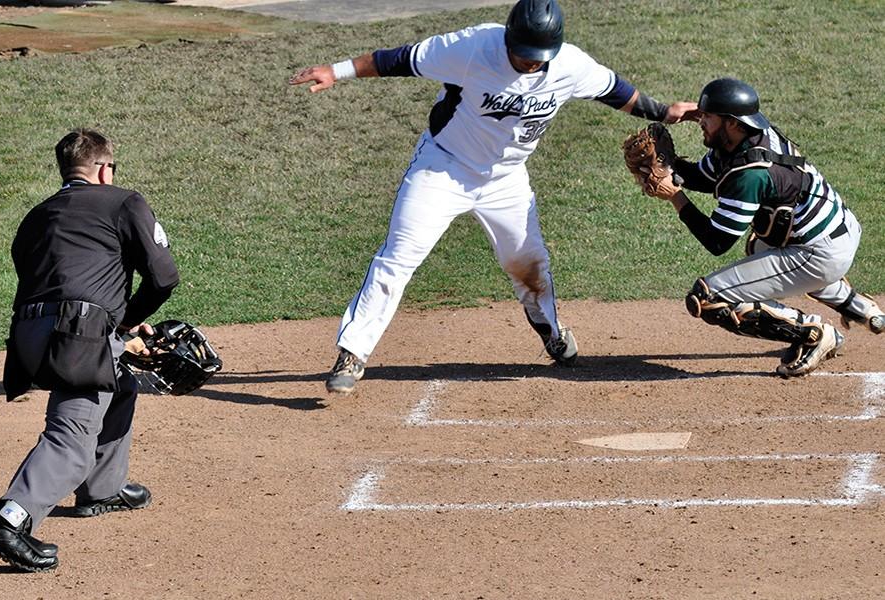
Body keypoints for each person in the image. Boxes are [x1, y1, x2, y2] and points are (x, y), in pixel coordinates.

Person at [290, 0, 699, 394]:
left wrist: (663, 112)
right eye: (523, 54)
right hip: (443, 168)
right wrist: (337, 71)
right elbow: (397, 59)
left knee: (528, 263)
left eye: (538, 56)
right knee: (398, 257)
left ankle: (552, 334)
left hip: (506, 180)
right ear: (507, 40)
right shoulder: (471, 47)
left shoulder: (571, 65)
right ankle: (352, 354)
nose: (530, 62)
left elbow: (616, 91)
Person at [0, 129, 180, 572]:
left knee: (121, 384)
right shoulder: (123, 202)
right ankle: (10, 519)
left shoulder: (36, 216)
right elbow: (164, 277)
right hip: (80, 334)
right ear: (104, 169)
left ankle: (102, 488)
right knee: (71, 436)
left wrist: (111, 332)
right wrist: (126, 322)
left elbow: (57, 280)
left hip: (29, 334)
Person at [643, 77, 883, 377]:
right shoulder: (749, 136)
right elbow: (705, 177)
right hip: (835, 228)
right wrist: (671, 166)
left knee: (709, 299)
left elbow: (717, 241)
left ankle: (813, 334)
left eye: (708, 116)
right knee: (759, 246)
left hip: (819, 252)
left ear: (732, 123)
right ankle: (853, 303)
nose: (700, 121)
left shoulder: (750, 173)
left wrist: (675, 196)